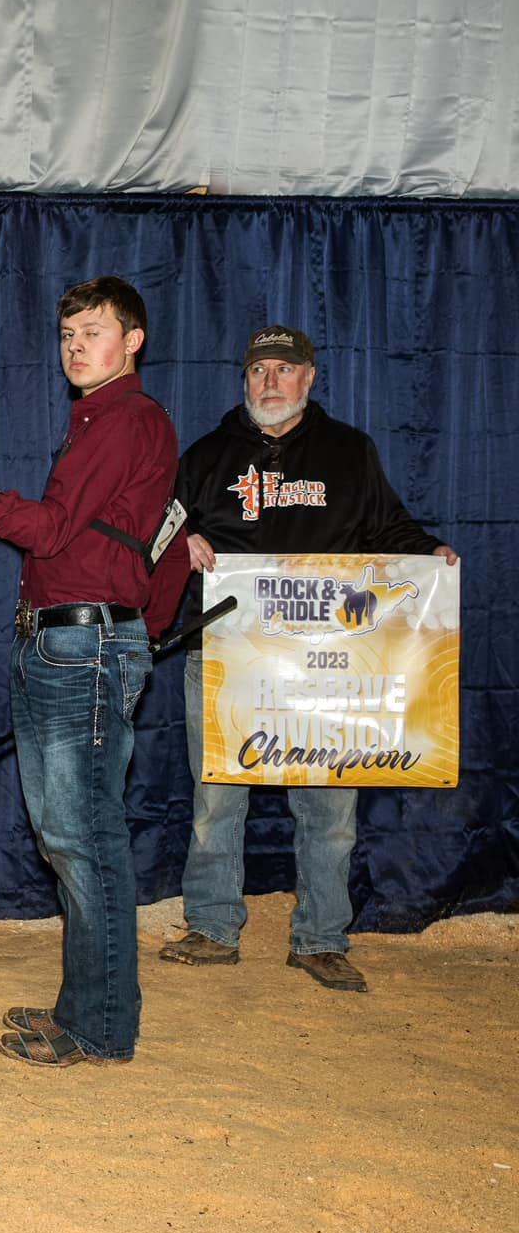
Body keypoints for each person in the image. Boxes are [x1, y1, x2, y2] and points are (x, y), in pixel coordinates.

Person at [159, 325, 458, 993]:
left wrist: (429, 552)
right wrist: (182, 543)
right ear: (244, 378)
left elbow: (390, 529)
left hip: (329, 660)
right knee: (216, 802)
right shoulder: (208, 456)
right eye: (260, 369)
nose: (271, 381)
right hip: (225, 652)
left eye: (284, 370)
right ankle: (211, 928)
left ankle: (321, 938)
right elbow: (159, 532)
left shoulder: (350, 452)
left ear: (310, 377)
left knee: (330, 811)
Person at [0, 276, 185, 1067]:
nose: (77, 347)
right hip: (66, 641)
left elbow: (47, 532)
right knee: (68, 838)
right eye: (69, 335)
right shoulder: (98, 423)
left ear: (133, 340)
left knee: (86, 839)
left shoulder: (127, 420)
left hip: (83, 647)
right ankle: (85, 1004)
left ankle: (103, 1026)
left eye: (94, 332)